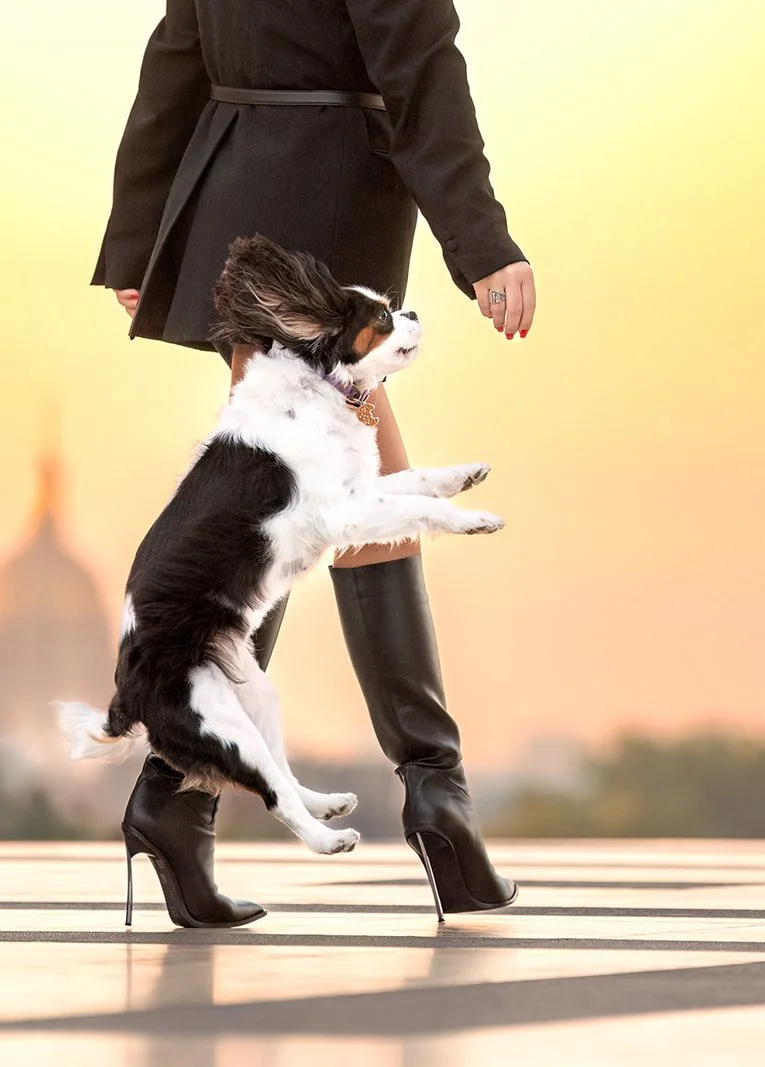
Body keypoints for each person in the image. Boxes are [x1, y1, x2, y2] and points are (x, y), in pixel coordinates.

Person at [93, 0, 535, 927]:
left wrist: (143, 230)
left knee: (296, 494)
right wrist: (482, 242)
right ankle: (434, 795)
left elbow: (177, 51)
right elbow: (422, 66)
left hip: (235, 191)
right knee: (316, 493)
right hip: (333, 193)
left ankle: (179, 798)